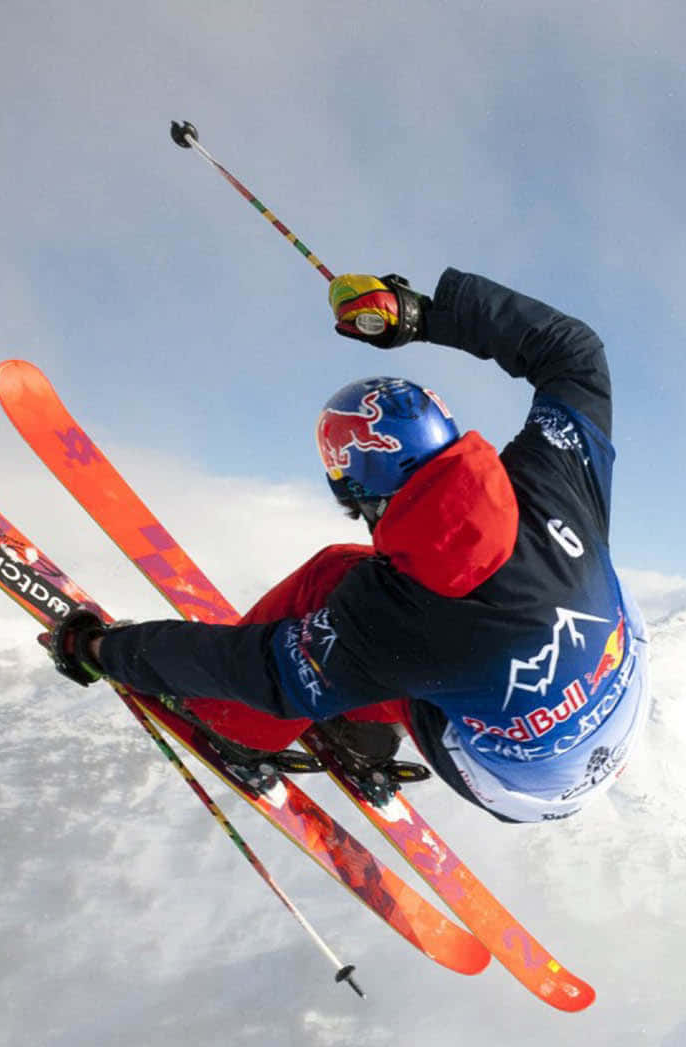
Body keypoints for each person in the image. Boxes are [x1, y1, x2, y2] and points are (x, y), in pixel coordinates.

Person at [50, 268, 649, 823]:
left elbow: (264, 672)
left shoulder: (387, 619)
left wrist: (107, 650)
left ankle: (235, 732)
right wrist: (423, 315)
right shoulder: (554, 476)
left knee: (335, 581)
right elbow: (574, 351)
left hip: (516, 786)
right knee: (420, 662)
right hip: (622, 704)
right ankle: (360, 735)